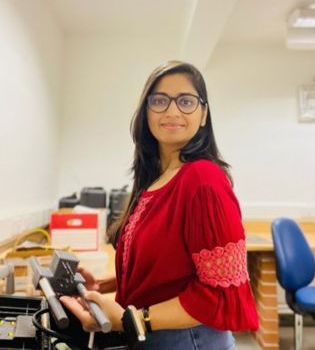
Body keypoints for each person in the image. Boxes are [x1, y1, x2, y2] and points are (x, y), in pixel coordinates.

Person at [61, 61, 259, 349]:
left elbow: (218, 293)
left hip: (189, 340)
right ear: (146, 113)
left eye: (186, 101)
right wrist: (110, 284)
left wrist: (134, 318)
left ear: (203, 114)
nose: (172, 111)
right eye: (160, 100)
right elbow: (172, 266)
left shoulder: (203, 179)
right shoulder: (155, 180)